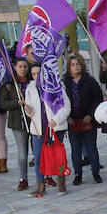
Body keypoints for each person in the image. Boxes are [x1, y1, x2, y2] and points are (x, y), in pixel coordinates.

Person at [26, 62, 70, 197]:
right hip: (38, 129)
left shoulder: (56, 87)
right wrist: (28, 111)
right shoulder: (30, 89)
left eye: (38, 73)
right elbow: (31, 110)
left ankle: (61, 181)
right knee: (38, 157)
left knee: (57, 156)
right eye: (33, 74)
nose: (36, 76)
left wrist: (56, 120)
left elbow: (66, 107)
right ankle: (40, 184)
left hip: (54, 127)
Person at [64, 52, 105, 185]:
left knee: (91, 148)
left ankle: (96, 172)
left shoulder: (89, 80)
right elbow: (60, 102)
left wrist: (90, 114)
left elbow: (98, 98)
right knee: (75, 149)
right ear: (69, 67)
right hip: (72, 122)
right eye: (73, 65)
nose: (76, 67)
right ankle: (78, 174)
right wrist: (67, 117)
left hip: (88, 121)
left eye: (78, 64)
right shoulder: (65, 82)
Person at [0, 57, 33, 192]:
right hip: (18, 122)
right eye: (20, 67)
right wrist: (16, 103)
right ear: (14, 67)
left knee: (38, 150)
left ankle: (44, 175)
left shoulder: (32, 81)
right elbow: (2, 104)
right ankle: (23, 178)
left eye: (25, 66)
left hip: (34, 120)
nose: (23, 69)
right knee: (22, 152)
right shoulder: (9, 84)